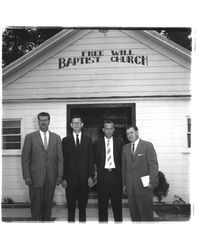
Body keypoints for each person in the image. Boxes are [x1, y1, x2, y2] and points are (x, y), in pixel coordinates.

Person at [22, 112, 63, 221]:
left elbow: (60, 159)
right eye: (41, 120)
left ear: (49, 121)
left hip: (51, 178)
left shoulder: (56, 138)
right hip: (35, 178)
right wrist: (27, 176)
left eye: (45, 120)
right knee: (36, 208)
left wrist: (59, 176)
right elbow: (25, 159)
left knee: (48, 208)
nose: (43, 122)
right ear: (38, 121)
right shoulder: (30, 137)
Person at [122, 125, 159, 221]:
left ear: (137, 132)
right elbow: (124, 168)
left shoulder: (147, 145)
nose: (129, 135)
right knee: (134, 217)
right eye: (127, 134)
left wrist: (152, 181)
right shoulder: (125, 148)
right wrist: (124, 184)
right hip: (130, 188)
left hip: (144, 187)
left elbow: (153, 165)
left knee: (146, 216)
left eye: (131, 132)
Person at [62, 115, 94, 222]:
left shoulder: (88, 140)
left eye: (78, 122)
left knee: (82, 208)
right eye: (74, 123)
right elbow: (63, 161)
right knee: (70, 208)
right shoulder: (65, 141)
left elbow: (91, 159)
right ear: (71, 125)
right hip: (70, 180)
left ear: (82, 124)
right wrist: (63, 178)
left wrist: (91, 176)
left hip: (84, 180)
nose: (76, 124)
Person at [94, 119, 124, 222]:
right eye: (107, 129)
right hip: (103, 176)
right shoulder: (97, 143)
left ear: (114, 130)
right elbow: (95, 161)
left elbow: (122, 161)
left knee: (117, 205)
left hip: (116, 176)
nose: (109, 131)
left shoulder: (120, 143)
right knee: (102, 205)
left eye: (111, 129)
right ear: (103, 130)